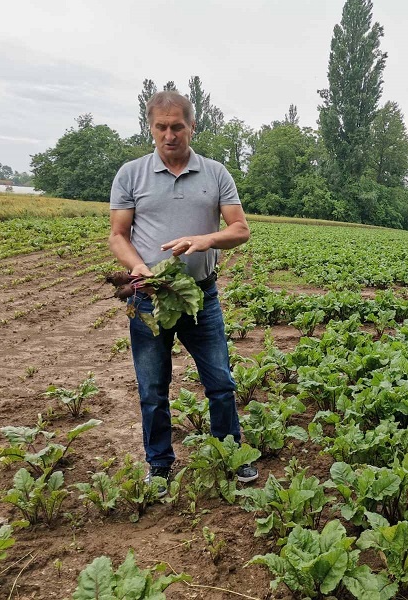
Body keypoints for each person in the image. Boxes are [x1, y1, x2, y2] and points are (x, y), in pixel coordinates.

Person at [108, 90, 257, 488]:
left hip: (200, 298)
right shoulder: (131, 174)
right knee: (152, 389)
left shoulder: (216, 173)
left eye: (177, 127)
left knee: (220, 383)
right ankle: (159, 463)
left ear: (192, 126)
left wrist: (207, 240)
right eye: (161, 127)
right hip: (149, 298)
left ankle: (230, 454)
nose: (169, 135)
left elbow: (240, 229)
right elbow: (118, 235)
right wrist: (137, 267)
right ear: (151, 128)